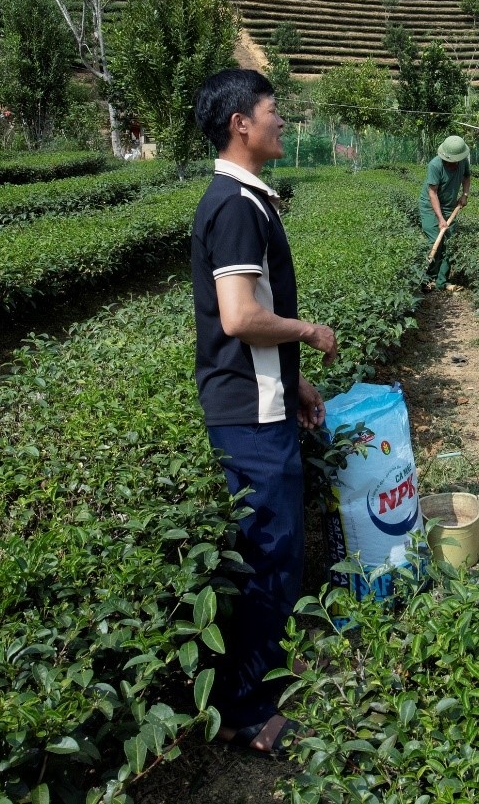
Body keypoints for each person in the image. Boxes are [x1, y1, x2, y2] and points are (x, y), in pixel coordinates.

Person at [190, 68, 340, 756]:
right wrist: (307, 331)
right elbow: (241, 315)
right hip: (247, 416)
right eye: (274, 112)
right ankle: (247, 709)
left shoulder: (249, 199)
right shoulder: (233, 206)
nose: (284, 121)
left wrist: (296, 380)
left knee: (275, 551)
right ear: (239, 125)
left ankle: (259, 686)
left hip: (264, 400)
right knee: (268, 554)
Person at [418, 134, 472, 292]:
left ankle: (442, 281)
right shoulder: (435, 165)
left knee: (449, 243)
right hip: (430, 206)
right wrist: (441, 219)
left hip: (450, 207)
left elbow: (467, 177)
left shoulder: (463, 162)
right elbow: (432, 193)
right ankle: (426, 279)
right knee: (435, 241)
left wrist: (465, 195)